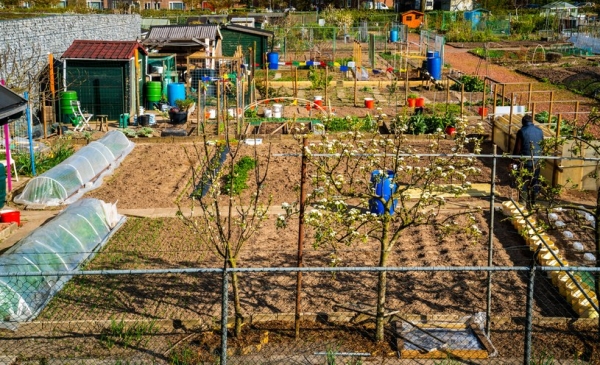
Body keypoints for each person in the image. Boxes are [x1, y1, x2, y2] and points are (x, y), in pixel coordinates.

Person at [512, 114, 544, 209]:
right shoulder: (540, 131)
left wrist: (513, 160)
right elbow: (542, 145)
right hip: (537, 160)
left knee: (523, 180)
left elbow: (518, 148)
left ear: (523, 123)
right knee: (535, 180)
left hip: (525, 160)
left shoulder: (521, 131)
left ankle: (523, 202)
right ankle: (533, 202)